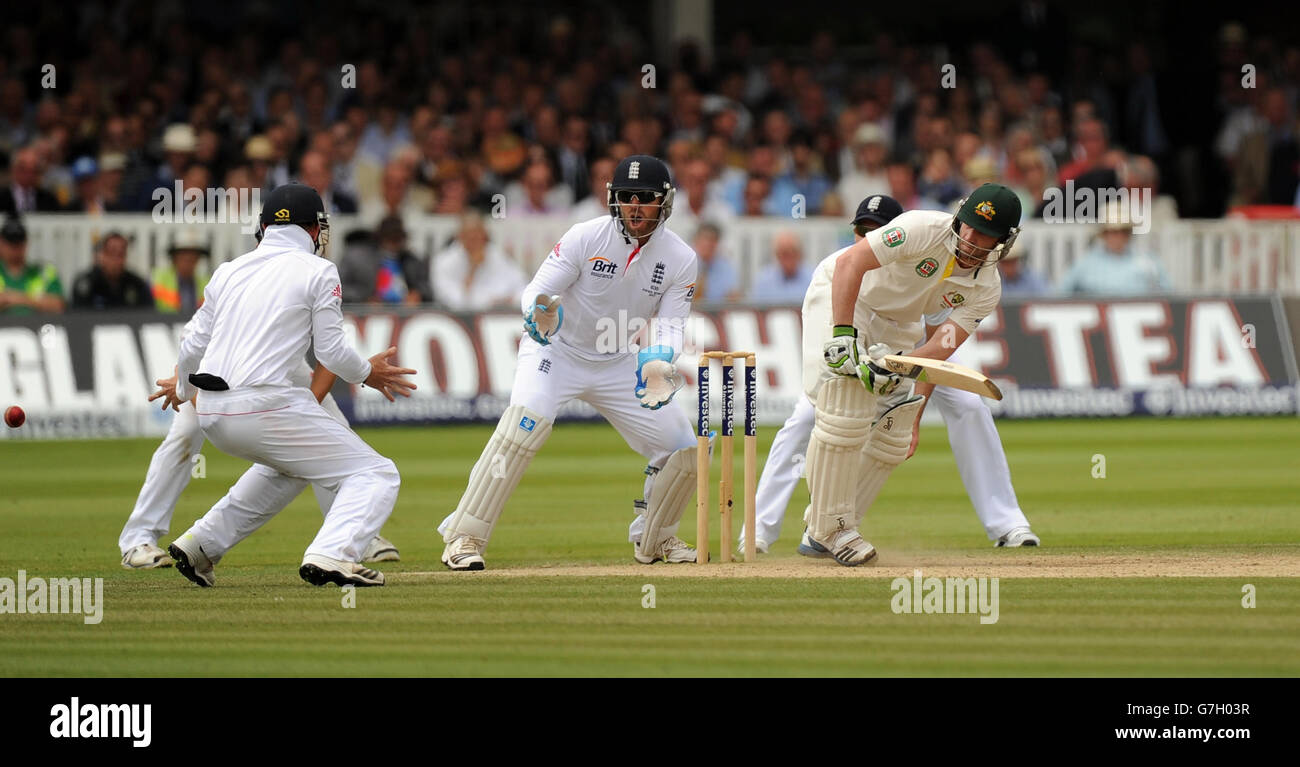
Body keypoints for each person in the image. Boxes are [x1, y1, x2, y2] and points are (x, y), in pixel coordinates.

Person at [436, 155, 700, 570]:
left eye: (645, 199)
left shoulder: (680, 257)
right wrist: (540, 310)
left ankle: (655, 538)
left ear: (664, 203)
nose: (634, 207)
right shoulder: (586, 236)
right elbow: (537, 290)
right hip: (555, 351)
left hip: (617, 358)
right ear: (613, 198)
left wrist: (660, 363)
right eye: (627, 197)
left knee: (683, 449)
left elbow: (669, 325)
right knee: (522, 429)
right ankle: (463, 537)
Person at [155, 183, 418, 588]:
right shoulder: (318, 270)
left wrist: (186, 391)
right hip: (265, 406)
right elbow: (331, 353)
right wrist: (368, 372)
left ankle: (202, 544)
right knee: (377, 473)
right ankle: (333, 553)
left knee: (292, 469)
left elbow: (191, 344)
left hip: (211, 410)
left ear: (263, 228)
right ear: (315, 229)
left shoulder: (229, 270)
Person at [743, 195, 1039, 552]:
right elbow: (851, 262)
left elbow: (941, 346)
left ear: (1003, 242)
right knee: (834, 403)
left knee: (897, 432)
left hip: (901, 328)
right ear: (959, 218)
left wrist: (899, 372)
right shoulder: (922, 228)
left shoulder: (986, 287)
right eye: (970, 229)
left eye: (985, 236)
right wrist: (843, 335)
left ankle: (829, 527)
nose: (971, 241)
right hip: (848, 299)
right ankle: (757, 530)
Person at [1060, 203, 1172, 295]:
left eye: (1122, 232)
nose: (1118, 237)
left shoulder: (1148, 263)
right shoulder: (1086, 264)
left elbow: (1168, 294)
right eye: (1113, 232)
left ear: (1129, 234)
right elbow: (1062, 293)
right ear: (1104, 234)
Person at [430, 211, 527, 311]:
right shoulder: (443, 262)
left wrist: (508, 301)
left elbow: (522, 286)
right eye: (470, 237)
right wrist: (473, 269)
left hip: (499, 316)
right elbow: (455, 301)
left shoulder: (497, 255)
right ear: (460, 236)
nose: (475, 241)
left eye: (478, 236)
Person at [339, 215, 431, 304]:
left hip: (404, 313)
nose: (394, 243)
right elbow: (338, 288)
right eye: (389, 237)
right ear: (379, 237)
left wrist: (418, 294)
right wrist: (365, 299)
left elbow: (427, 288)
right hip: (367, 314)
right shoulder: (357, 258)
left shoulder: (411, 261)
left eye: (397, 238)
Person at [70, 231, 153, 309]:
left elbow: (148, 316)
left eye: (120, 254)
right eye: (112, 253)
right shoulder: (86, 284)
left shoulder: (137, 285)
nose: (116, 260)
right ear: (102, 255)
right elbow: (79, 318)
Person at [0, 215, 65, 315]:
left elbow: (58, 305)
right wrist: (35, 300)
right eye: (10, 243)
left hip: (36, 328)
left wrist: (13, 298)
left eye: (19, 243)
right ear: (1, 243)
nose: (15, 248)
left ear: (26, 244)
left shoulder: (44, 272)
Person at [151, 229, 210, 314]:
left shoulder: (207, 284)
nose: (188, 258)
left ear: (198, 259)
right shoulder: (157, 281)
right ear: (174, 257)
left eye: (193, 254)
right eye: (184, 253)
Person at [748, 231, 814, 303]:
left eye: (793, 252)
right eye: (784, 254)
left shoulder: (813, 279)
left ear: (800, 254)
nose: (789, 258)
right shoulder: (763, 280)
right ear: (776, 255)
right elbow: (756, 311)